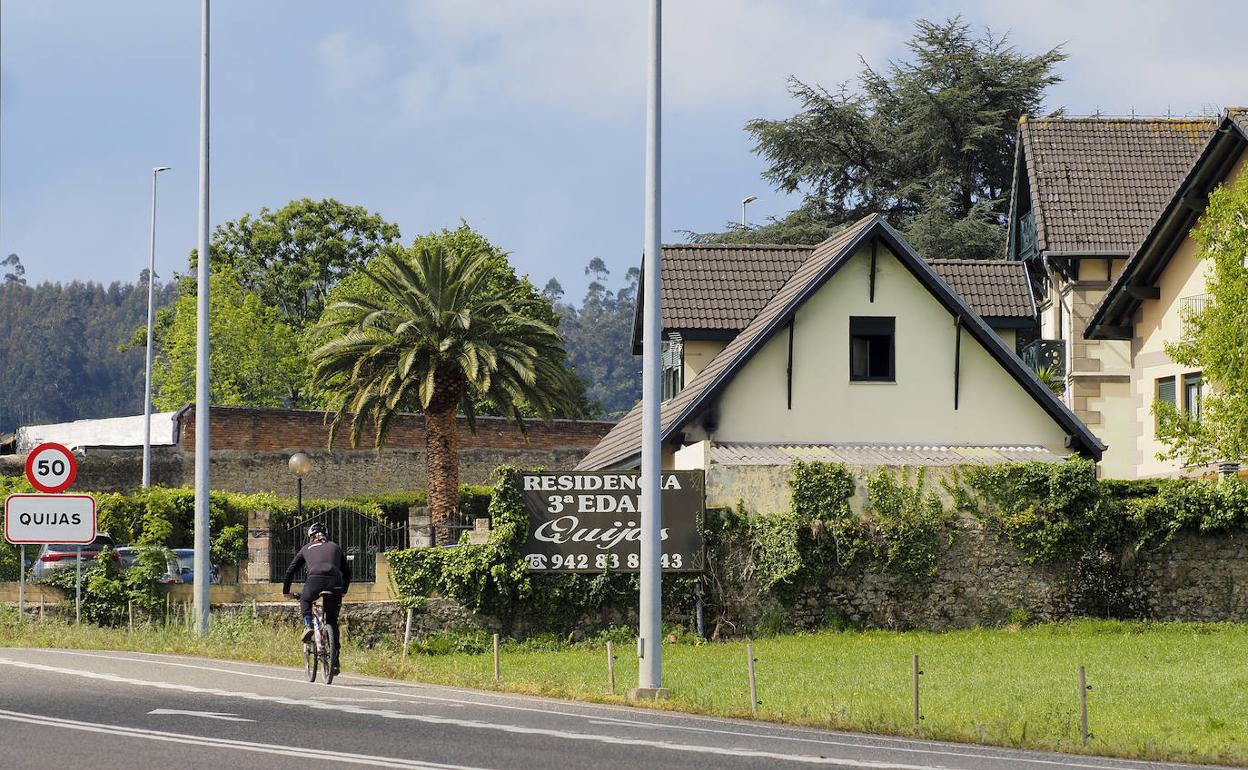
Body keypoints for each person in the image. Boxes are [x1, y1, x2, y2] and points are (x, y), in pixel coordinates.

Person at [283, 522, 351, 674]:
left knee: (305, 600)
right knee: (332, 622)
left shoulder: (306, 548)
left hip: (315, 580)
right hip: (335, 582)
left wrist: (286, 591)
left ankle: (308, 625)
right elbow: (347, 572)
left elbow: (290, 571)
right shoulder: (335, 547)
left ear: (311, 537)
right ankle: (335, 662)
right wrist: (344, 590)